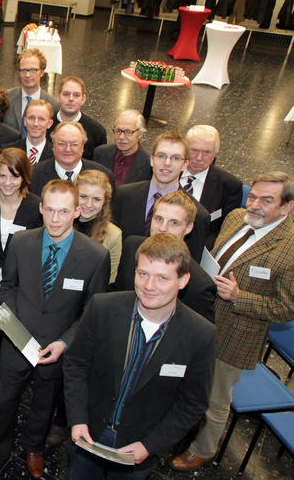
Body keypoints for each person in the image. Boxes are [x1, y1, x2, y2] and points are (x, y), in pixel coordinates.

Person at [0, 179, 110, 480]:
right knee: (4, 401)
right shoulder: (21, 242)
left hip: (57, 348)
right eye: (50, 210)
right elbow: (8, 287)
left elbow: (93, 313)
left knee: (44, 404)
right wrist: (13, 326)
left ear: (77, 211)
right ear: (41, 209)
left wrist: (65, 342)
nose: (56, 219)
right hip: (17, 339)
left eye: (64, 211)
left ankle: (34, 448)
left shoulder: (96, 257)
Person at [64, 234, 216, 479]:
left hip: (139, 445)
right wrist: (77, 419)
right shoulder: (102, 308)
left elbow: (193, 403)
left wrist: (150, 445)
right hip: (89, 431)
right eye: (143, 273)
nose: (149, 286)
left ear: (183, 280)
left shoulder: (201, 335)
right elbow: (76, 365)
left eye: (162, 278)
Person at [171, 171, 294, 472]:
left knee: (216, 397)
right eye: (253, 197)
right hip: (204, 315)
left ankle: (204, 449)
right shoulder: (238, 216)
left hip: (237, 334)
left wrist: (240, 296)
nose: (254, 205)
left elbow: (286, 308)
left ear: (286, 207)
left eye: (266, 201)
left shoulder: (289, 251)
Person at [0, 148, 43, 401]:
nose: (7, 183)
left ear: (24, 177)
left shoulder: (36, 206)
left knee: (8, 333)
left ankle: (1, 379)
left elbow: (37, 249)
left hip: (18, 282)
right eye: (2, 176)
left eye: (14, 177)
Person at [115, 191, 217, 322]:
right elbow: (117, 293)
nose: (162, 228)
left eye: (174, 223)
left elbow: (197, 336)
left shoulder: (200, 286)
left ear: (188, 228)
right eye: (159, 219)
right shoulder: (132, 247)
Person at [112, 131, 210, 262]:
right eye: (161, 156)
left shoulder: (198, 214)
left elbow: (189, 263)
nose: (167, 163)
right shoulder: (124, 195)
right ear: (152, 159)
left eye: (175, 158)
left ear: (185, 165)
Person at [180, 125, 243, 247]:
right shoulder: (166, 171)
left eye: (206, 152)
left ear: (215, 153)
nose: (199, 158)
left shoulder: (230, 186)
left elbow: (226, 231)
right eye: (194, 150)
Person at [29, 122, 113, 195]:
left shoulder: (104, 176)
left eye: (74, 144)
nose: (68, 149)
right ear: (53, 146)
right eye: (62, 144)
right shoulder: (33, 175)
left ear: (82, 147)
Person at [74, 169, 122, 284]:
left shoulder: (113, 235)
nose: (88, 204)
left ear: (104, 202)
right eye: (83, 196)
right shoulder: (57, 222)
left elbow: (109, 280)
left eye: (96, 199)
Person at [2, 48, 58, 136]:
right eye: (23, 70)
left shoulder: (53, 104)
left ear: (42, 72)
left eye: (33, 70)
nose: (27, 75)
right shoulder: (5, 98)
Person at [47, 76, 106, 160]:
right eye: (66, 94)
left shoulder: (96, 131)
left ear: (83, 99)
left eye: (76, 95)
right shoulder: (45, 125)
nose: (71, 99)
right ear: (58, 97)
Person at [94, 109, 152, 188]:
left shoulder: (149, 163)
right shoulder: (100, 153)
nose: (121, 137)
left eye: (128, 132)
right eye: (118, 130)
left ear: (140, 134)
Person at [3, 99, 55, 165]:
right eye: (31, 118)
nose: (35, 124)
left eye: (41, 119)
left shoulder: (56, 155)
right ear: (24, 121)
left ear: (49, 124)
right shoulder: (8, 152)